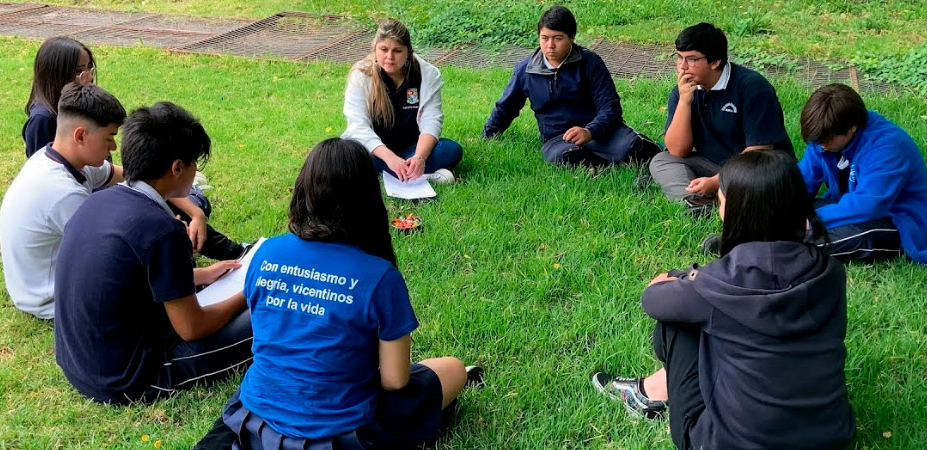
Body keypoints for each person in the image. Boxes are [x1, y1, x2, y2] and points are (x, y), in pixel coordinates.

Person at [209, 138, 480, 449]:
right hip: (338, 433)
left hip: (255, 418)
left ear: (303, 189)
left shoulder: (266, 252)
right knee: (453, 369)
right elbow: (395, 381)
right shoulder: (379, 276)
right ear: (368, 198)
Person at [594, 150, 855, 450]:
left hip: (724, 443)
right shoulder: (829, 272)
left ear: (733, 210)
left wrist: (684, 277)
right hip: (830, 436)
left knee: (678, 325)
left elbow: (653, 300)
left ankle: (648, 393)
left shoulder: (717, 283)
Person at [53, 102, 253, 404]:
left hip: (79, 364)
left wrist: (198, 275)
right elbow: (192, 328)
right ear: (177, 168)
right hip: (131, 378)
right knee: (268, 316)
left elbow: (131, 277)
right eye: (194, 162)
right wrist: (250, 291)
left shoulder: (98, 201)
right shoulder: (162, 230)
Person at [23, 36, 243, 260]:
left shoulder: (89, 166)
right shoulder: (63, 181)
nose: (88, 77)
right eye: (80, 72)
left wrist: (191, 210)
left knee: (169, 200)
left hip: (109, 196)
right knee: (161, 215)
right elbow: (109, 251)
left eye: (90, 68)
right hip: (95, 218)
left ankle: (226, 243)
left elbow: (134, 175)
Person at [0, 83, 125, 319]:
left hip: (31, 285)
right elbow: (113, 255)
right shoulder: (64, 194)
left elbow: (123, 174)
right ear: (80, 135)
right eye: (109, 138)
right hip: (49, 299)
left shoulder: (54, 157)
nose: (114, 147)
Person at [483, 6, 657, 167]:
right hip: (558, 138)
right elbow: (506, 107)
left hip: (598, 131)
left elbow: (610, 108)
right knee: (562, 157)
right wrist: (487, 135)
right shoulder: (525, 70)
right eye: (544, 38)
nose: (550, 46)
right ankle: (603, 163)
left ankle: (647, 154)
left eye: (558, 39)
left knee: (632, 146)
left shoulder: (590, 63)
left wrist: (589, 131)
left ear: (572, 38)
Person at [647, 23, 793, 216]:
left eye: (691, 59)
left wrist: (718, 180)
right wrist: (684, 102)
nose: (682, 67)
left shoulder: (752, 88)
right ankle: (695, 203)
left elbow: (759, 151)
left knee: (758, 186)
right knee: (662, 160)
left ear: (715, 61)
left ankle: (712, 196)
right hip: (712, 163)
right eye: (679, 58)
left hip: (758, 169)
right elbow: (678, 150)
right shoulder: (683, 91)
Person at [797, 83, 927, 264]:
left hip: (893, 218)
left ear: (852, 127)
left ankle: (781, 242)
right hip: (848, 201)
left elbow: (869, 205)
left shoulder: (887, 147)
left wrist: (810, 221)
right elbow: (802, 180)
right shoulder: (824, 135)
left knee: (823, 238)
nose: (821, 144)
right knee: (787, 213)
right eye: (817, 139)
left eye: (826, 139)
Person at [342, 20, 463, 183]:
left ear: (408, 52)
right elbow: (357, 126)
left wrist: (419, 158)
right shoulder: (361, 76)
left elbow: (431, 119)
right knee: (345, 155)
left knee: (450, 150)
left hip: (411, 150)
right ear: (375, 48)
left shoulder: (427, 74)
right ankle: (425, 176)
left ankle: (397, 173)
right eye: (383, 49)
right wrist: (390, 158)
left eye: (397, 51)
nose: (389, 57)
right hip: (376, 152)